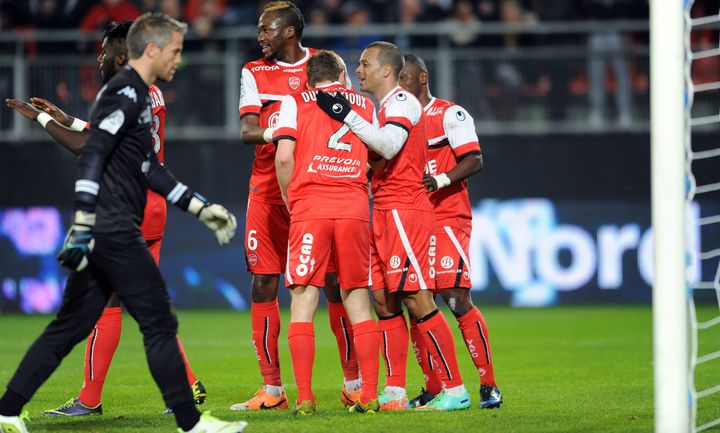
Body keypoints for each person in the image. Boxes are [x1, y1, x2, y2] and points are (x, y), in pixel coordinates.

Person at [0, 13, 247, 433]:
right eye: (175, 51)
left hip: (120, 217)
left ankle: (9, 410)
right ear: (146, 51)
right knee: (153, 319)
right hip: (113, 223)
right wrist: (82, 219)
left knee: (74, 324)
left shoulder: (131, 94)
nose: (179, 60)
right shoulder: (133, 94)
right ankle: (190, 419)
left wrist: (198, 205)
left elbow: (139, 161)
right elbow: (93, 152)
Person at [316, 41, 471, 411]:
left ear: (387, 70)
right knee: (385, 301)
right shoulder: (382, 108)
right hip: (382, 210)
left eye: (365, 64)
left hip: (406, 210)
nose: (358, 70)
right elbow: (376, 160)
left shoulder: (402, 102)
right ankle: (396, 391)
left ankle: (455, 389)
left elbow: (387, 146)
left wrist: (346, 116)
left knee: (418, 299)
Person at [234, 0, 361, 411]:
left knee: (335, 285)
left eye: (266, 29)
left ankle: (352, 381)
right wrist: (285, 129)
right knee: (264, 282)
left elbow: (350, 118)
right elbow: (247, 130)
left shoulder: (327, 65)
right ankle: (272, 389)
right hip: (269, 192)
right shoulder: (254, 71)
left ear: (289, 31)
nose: (260, 37)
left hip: (317, 189)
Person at [274, 50, 381, 415]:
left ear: (308, 78)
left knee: (303, 302)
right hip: (353, 207)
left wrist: (291, 201)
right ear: (341, 74)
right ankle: (368, 394)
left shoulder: (293, 102)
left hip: (310, 207)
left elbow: (285, 157)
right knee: (357, 301)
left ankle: (305, 397)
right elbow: (377, 154)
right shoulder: (365, 105)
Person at [399, 53, 503, 409]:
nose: (400, 87)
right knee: (416, 301)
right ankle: (434, 386)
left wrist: (440, 179)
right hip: (411, 220)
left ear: (423, 78)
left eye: (406, 79)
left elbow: (474, 159)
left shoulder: (449, 114)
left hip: (446, 215)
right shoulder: (396, 120)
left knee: (455, 297)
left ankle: (488, 384)